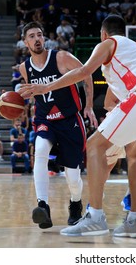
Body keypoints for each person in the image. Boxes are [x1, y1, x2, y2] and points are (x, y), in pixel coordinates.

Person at [18, 15, 136, 237]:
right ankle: (134, 220)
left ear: (104, 34)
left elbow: (84, 72)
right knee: (135, 154)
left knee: (95, 145)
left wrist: (45, 87)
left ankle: (95, 216)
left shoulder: (109, 43)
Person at [16, 21, 97, 229]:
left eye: (40, 35)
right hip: (45, 120)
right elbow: (33, 94)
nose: (37, 39)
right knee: (40, 150)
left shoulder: (61, 57)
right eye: (32, 36)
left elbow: (86, 73)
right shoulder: (25, 68)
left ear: (44, 38)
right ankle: (43, 206)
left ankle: (75, 204)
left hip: (70, 119)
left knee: (73, 176)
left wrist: (88, 106)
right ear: (25, 42)